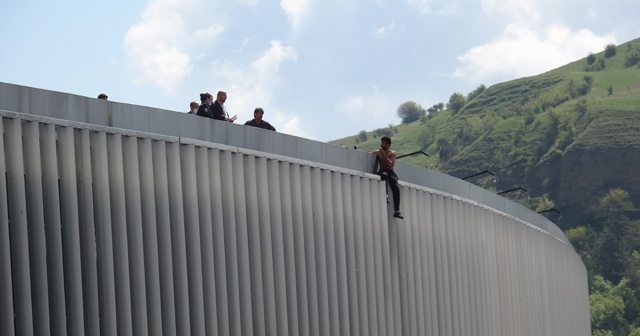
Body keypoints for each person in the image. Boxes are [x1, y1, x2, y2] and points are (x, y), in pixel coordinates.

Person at [371, 136, 404, 219]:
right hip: (382, 170)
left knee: (396, 188)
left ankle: (397, 211)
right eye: (381, 142)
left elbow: (390, 164)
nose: (381, 144)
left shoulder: (392, 153)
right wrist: (379, 153)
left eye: (383, 143)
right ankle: (385, 196)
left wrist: (384, 155)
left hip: (390, 171)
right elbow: (370, 153)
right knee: (384, 175)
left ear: (388, 144)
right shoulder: (378, 152)